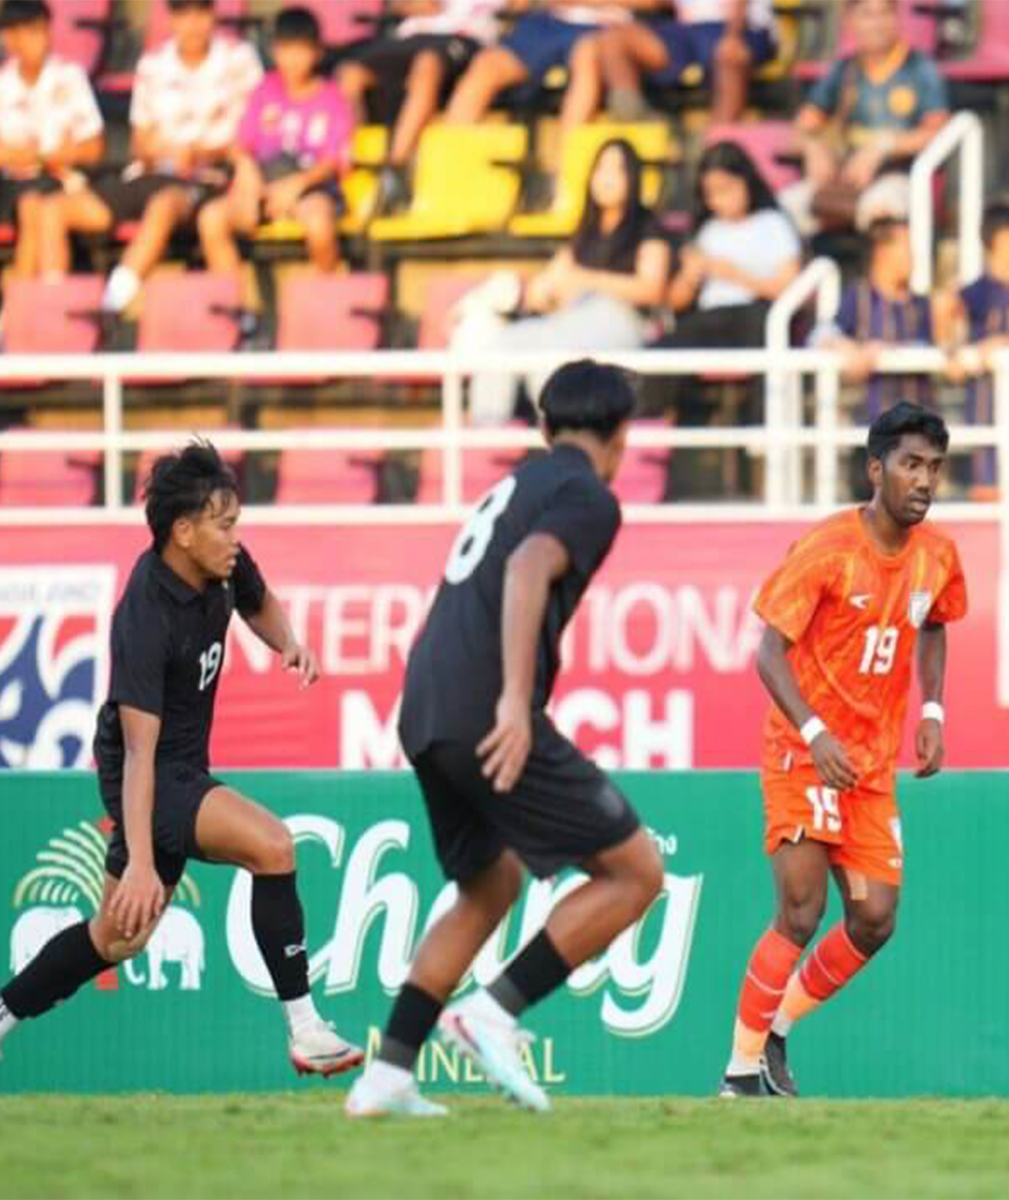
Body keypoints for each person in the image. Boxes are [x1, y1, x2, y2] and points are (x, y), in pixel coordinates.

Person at [345, 361, 664, 1118]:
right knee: (636, 873)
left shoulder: (517, 483)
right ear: (622, 436)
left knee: (489, 886)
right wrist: (516, 704)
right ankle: (492, 1013)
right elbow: (527, 567)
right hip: (484, 709)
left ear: (545, 428)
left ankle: (387, 1072)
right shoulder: (589, 496)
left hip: (424, 707)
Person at [0, 442, 362, 1078]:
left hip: (181, 766)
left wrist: (289, 643)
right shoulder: (143, 614)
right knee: (274, 846)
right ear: (183, 531)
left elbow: (257, 601)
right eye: (224, 525)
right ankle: (306, 1028)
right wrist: (141, 860)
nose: (235, 537)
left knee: (117, 936)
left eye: (236, 523)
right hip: (149, 772)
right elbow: (140, 752)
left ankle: (3, 1013)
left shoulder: (222, 561)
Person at [719, 401, 967, 1098]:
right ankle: (738, 1077)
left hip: (870, 766)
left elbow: (936, 622)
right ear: (876, 470)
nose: (925, 480)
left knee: (875, 919)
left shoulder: (938, 555)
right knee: (800, 911)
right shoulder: (828, 548)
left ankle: (775, 1031)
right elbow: (768, 652)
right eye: (911, 464)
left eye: (935, 467)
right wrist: (814, 732)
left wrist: (933, 709)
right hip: (805, 753)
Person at [35, 0, 262, 311]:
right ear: (171, 19)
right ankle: (52, 309)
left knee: (163, 205)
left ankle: (111, 304)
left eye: (200, 13)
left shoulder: (239, 59)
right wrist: (161, 151)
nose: (193, 24)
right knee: (53, 209)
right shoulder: (153, 64)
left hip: (208, 178)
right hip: (149, 173)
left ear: (212, 15)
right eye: (184, 14)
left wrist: (201, 153)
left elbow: (252, 135)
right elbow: (140, 144)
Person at [454, 138, 671, 425]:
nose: (606, 178)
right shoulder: (586, 231)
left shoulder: (647, 226)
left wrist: (587, 281)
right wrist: (542, 293)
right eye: (601, 168)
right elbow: (552, 282)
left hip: (622, 321)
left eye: (617, 169)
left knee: (550, 355)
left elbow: (651, 290)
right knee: (508, 341)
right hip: (574, 321)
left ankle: (559, 436)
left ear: (633, 177)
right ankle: (487, 430)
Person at [643, 139, 801, 422]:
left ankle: (762, 427)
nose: (719, 200)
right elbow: (675, 301)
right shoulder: (708, 231)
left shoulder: (773, 224)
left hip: (756, 315)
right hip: (710, 320)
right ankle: (647, 418)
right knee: (666, 348)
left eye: (726, 189)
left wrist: (734, 274)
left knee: (765, 341)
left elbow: (789, 287)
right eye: (711, 193)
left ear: (746, 182)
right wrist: (690, 276)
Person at [196, 6, 354, 275]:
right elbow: (240, 145)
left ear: (317, 52)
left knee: (319, 225)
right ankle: (233, 300)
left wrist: (296, 185)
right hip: (263, 185)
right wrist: (246, 171)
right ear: (274, 51)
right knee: (211, 218)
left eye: (301, 50)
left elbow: (332, 161)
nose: (293, 59)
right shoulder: (264, 90)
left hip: (310, 188)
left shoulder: (333, 98)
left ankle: (326, 295)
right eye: (285, 49)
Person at [783, 0, 949, 234]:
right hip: (842, 182)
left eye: (885, 13)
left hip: (899, 179)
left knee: (881, 209)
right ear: (850, 22)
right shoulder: (844, 70)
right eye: (868, 15)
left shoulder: (919, 69)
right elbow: (801, 128)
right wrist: (813, 149)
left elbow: (938, 134)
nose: (877, 24)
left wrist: (883, 147)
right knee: (786, 208)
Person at [334, 0, 500, 213]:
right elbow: (396, 6)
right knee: (350, 72)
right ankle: (345, 165)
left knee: (427, 64)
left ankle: (395, 169)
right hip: (408, 39)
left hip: (459, 38)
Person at [0, 0, 103, 281]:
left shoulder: (69, 77)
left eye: (44, 30)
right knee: (32, 202)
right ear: (10, 38)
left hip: (52, 183)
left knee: (35, 204)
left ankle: (27, 300)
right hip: (7, 186)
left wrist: (36, 157)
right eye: (32, 32)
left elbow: (93, 148)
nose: (43, 40)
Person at [941, 202, 1009, 490]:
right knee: (987, 478)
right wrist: (956, 354)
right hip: (984, 403)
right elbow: (947, 322)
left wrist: (1002, 344)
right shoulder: (974, 292)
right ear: (1001, 239)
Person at [816, 216, 940, 418]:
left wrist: (886, 349)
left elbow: (932, 347)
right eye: (905, 248)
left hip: (918, 423)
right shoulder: (859, 296)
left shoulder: (920, 304)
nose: (912, 257)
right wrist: (852, 350)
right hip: (874, 422)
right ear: (881, 251)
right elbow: (822, 334)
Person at [578, 0, 775, 127]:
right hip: (685, 31)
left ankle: (715, 154)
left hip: (741, 28)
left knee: (730, 58)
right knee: (613, 40)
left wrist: (733, 35)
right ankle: (636, 117)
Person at [443, 2, 637, 128]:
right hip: (546, 23)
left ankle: (567, 171)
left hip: (605, 30)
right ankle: (449, 165)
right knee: (487, 66)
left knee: (586, 60)